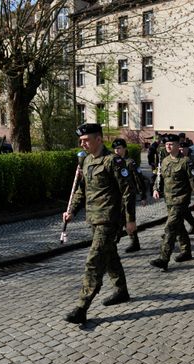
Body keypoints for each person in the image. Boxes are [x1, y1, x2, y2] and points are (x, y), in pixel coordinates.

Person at [63, 123, 137, 324]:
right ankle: (121, 291)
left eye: (86, 140)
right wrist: (71, 212)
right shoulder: (86, 161)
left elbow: (129, 192)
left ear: (98, 139)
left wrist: (130, 220)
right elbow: (81, 191)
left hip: (109, 220)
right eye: (81, 140)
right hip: (94, 219)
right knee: (110, 255)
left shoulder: (113, 161)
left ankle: (81, 306)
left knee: (94, 262)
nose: (82, 143)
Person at [150, 134, 194, 271]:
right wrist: (156, 189)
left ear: (178, 146)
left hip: (181, 200)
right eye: (166, 144)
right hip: (169, 201)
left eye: (171, 144)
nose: (168, 146)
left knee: (170, 228)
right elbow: (159, 177)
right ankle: (186, 251)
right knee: (179, 227)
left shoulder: (186, 162)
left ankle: (163, 258)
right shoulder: (165, 160)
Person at [112, 138, 147, 252]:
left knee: (127, 219)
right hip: (117, 196)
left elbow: (139, 179)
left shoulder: (130, 162)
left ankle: (115, 242)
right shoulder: (113, 162)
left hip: (129, 195)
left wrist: (143, 196)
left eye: (119, 148)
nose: (116, 151)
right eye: (115, 149)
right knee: (120, 219)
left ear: (125, 149)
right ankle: (132, 242)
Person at [179, 138, 194, 234]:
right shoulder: (177, 159)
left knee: (179, 212)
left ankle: (172, 231)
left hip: (186, 190)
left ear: (187, 149)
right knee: (184, 211)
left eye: (183, 149)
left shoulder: (190, 161)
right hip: (177, 190)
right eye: (180, 149)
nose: (181, 151)